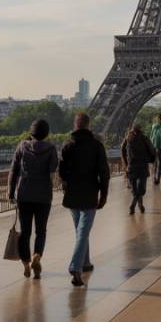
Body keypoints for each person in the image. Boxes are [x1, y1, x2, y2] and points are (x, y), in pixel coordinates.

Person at [59, 112, 110, 287]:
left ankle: (86, 263)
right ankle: (76, 267)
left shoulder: (67, 145)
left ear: (75, 125)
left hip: (73, 194)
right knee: (83, 232)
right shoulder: (96, 146)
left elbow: (62, 171)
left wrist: (67, 184)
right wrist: (103, 194)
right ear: (88, 125)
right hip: (89, 194)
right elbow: (104, 173)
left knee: (81, 232)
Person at [9, 119, 59, 279]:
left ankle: (26, 264)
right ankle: (37, 255)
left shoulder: (22, 146)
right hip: (43, 195)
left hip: (24, 194)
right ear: (46, 133)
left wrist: (11, 192)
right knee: (41, 230)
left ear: (31, 132)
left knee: (25, 232)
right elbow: (52, 174)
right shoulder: (51, 149)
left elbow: (13, 171)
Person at [121, 123, 156, 214]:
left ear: (133, 130)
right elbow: (152, 150)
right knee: (141, 189)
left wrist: (126, 163)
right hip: (142, 166)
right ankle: (134, 205)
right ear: (140, 129)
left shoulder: (127, 138)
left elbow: (122, 150)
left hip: (131, 167)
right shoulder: (145, 138)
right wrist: (151, 160)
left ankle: (139, 206)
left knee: (135, 190)